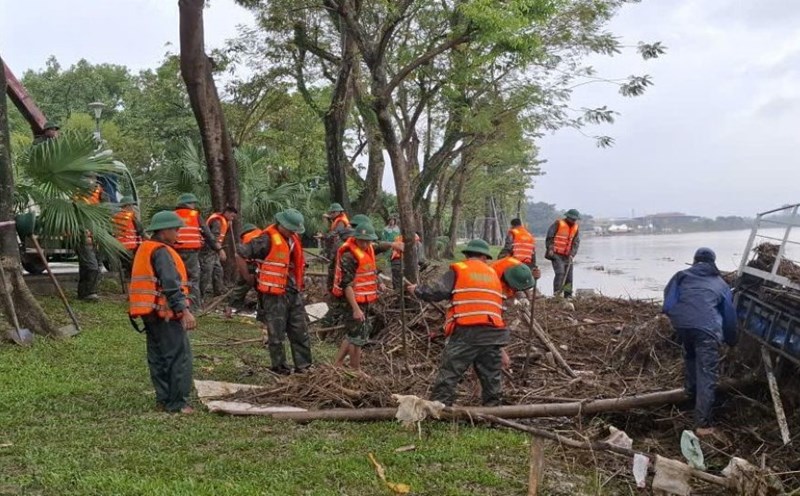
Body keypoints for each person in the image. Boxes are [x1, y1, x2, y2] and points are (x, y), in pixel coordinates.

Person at [406, 239, 508, 406]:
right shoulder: (492, 274)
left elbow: (437, 291)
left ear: (467, 255)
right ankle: (494, 411)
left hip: (467, 331)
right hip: (493, 332)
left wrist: (417, 290)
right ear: (485, 257)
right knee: (491, 377)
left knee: (450, 372)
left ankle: (440, 408)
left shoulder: (460, 269)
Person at [663, 247, 737, 437]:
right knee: (707, 373)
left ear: (695, 260)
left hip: (682, 326)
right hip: (706, 330)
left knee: (690, 357)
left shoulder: (680, 276)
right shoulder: (721, 284)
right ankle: (703, 424)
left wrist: (679, 318)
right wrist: (731, 340)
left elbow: (668, 304)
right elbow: (729, 316)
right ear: (713, 262)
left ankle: (691, 398)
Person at [128, 211, 196, 414]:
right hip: (164, 314)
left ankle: (163, 399)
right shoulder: (161, 251)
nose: (178, 234)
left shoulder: (145, 248)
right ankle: (177, 403)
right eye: (175, 230)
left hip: (150, 314)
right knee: (178, 357)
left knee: (158, 357)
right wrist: (184, 311)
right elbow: (170, 284)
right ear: (163, 231)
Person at [238, 209, 312, 374]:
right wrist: (248, 277)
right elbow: (241, 253)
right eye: (290, 228)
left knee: (300, 329)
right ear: (281, 224)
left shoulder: (292, 239)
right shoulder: (265, 239)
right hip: (273, 294)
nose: (293, 232)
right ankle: (280, 367)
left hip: (292, 290)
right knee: (276, 332)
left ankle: (304, 366)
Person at [173, 193, 224, 308]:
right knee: (193, 279)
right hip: (191, 252)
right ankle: (195, 307)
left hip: (175, 251)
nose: (194, 205)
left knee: (176, 277)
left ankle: (177, 304)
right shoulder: (195, 215)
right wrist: (218, 249)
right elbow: (208, 234)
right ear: (188, 204)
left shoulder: (173, 215)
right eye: (193, 203)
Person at [491, 256, 535, 370]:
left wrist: (527, 295)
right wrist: (500, 350)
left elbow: (521, 280)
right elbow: (490, 318)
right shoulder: (492, 280)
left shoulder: (518, 267)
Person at [76, 174, 107, 301]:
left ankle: (85, 293)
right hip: (83, 235)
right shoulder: (78, 197)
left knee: (95, 265)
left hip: (98, 236)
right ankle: (89, 293)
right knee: (91, 265)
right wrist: (84, 234)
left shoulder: (101, 196)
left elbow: (106, 216)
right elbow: (76, 218)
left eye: (93, 178)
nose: (92, 181)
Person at [200, 206, 238, 299]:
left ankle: (218, 291)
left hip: (215, 250)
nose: (232, 219)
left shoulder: (223, 220)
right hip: (208, 249)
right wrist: (220, 250)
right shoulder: (217, 221)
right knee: (207, 271)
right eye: (232, 216)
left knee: (218, 270)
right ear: (227, 212)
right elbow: (213, 238)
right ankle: (200, 296)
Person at [225, 223, 261, 317]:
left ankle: (233, 307)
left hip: (251, 264)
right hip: (264, 267)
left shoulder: (247, 238)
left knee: (240, 287)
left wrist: (247, 276)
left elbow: (240, 256)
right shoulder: (262, 234)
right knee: (262, 289)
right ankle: (262, 309)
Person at [545, 209, 581, 298]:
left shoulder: (576, 228)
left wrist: (572, 254)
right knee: (560, 272)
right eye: (572, 219)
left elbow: (576, 242)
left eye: (575, 219)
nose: (573, 221)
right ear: (567, 217)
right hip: (556, 254)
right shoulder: (558, 224)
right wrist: (550, 248)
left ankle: (568, 296)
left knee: (569, 277)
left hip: (568, 255)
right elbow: (550, 237)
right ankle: (557, 294)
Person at [112, 196, 145, 280]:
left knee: (127, 269)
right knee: (132, 269)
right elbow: (141, 232)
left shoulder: (116, 217)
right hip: (130, 248)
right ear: (126, 206)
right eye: (131, 206)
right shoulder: (130, 217)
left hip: (120, 248)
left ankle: (127, 285)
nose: (132, 208)